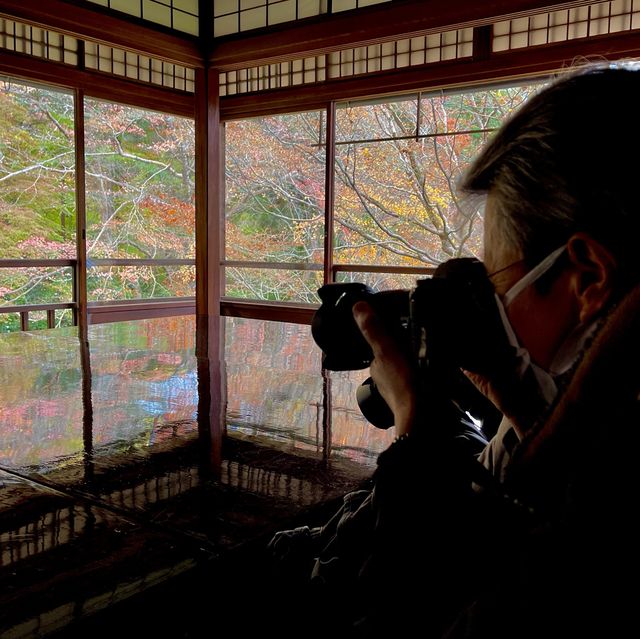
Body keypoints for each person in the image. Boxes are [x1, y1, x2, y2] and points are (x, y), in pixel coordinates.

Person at [268, 60, 640, 638]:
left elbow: (403, 617)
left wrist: (416, 433)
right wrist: (519, 404)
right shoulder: (608, 421)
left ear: (588, 277)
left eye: (500, 286)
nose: (495, 311)